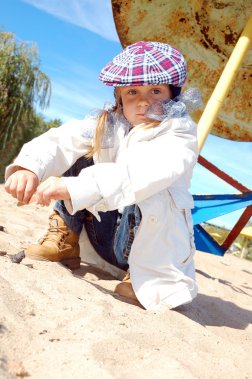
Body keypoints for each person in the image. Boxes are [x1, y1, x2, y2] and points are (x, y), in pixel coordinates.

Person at [5, 41, 201, 310]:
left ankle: (144, 277)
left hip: (148, 249)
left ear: (173, 95)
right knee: (83, 151)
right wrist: (29, 166)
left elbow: (142, 174)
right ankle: (65, 240)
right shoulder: (108, 124)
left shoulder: (179, 133)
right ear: (119, 98)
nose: (143, 101)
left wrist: (75, 187)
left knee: (144, 187)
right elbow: (62, 139)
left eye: (155, 91)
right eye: (132, 91)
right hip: (105, 239)